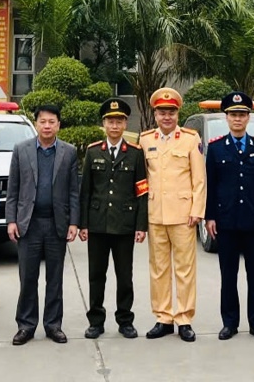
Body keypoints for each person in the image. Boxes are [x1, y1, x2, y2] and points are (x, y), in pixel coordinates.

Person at [204, 92, 254, 341]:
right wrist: (210, 217)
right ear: (226, 117)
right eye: (233, 115)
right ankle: (230, 323)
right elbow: (211, 187)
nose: (237, 119)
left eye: (242, 115)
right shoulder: (215, 148)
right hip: (226, 222)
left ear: (248, 118)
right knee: (228, 275)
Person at [6, 104, 79, 346]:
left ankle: (53, 325)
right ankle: (26, 326)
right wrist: (11, 221)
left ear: (59, 124)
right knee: (28, 278)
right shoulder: (21, 150)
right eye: (42, 121)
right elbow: (13, 190)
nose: (47, 126)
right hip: (29, 225)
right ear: (36, 123)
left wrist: (74, 223)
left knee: (54, 279)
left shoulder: (68, 152)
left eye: (52, 121)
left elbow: (73, 192)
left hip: (56, 224)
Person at [139, 88, 206, 343]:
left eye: (171, 112)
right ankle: (163, 317)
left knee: (185, 269)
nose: (167, 117)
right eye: (162, 112)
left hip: (183, 215)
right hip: (155, 214)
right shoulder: (145, 140)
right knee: (158, 269)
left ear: (178, 113)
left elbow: (199, 179)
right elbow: (142, 180)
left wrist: (197, 210)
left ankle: (184, 318)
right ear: (155, 114)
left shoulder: (190, 139)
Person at [79, 98, 148, 340]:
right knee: (96, 275)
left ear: (125, 123)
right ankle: (96, 321)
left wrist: (141, 226)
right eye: (110, 121)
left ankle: (125, 320)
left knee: (124, 276)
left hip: (124, 224)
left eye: (119, 121)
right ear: (104, 124)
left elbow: (142, 192)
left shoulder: (136, 154)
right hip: (97, 224)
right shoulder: (93, 151)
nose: (115, 126)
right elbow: (85, 191)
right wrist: (83, 224)